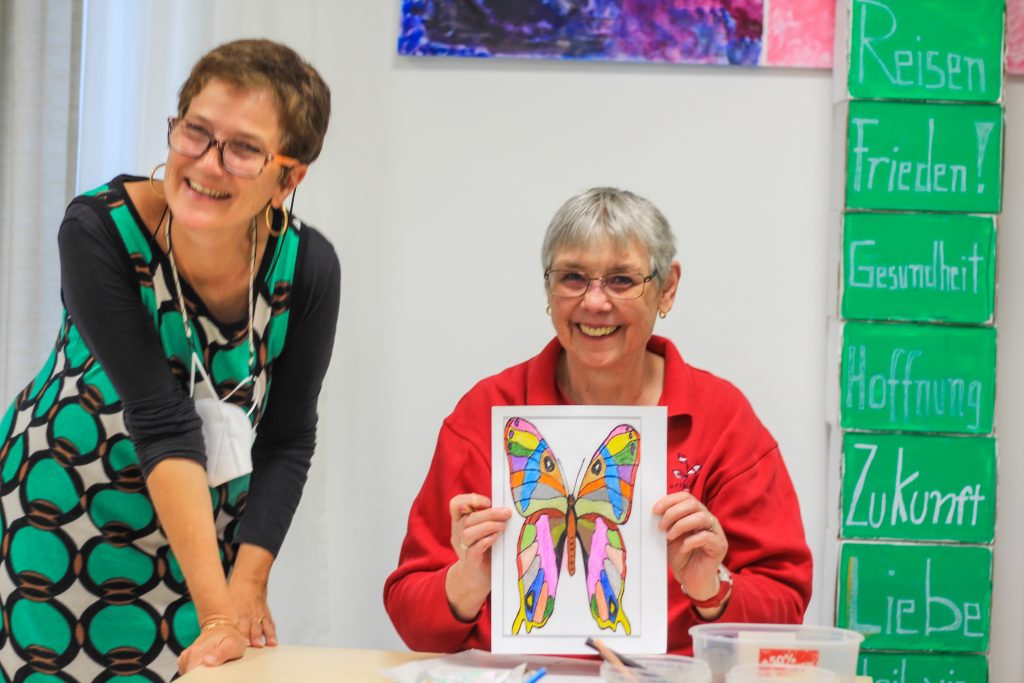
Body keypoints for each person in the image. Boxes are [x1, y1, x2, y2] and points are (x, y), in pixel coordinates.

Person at [0, 39, 338, 680]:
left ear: (288, 176)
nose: (207, 165)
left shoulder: (309, 267)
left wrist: (244, 585)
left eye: (242, 148)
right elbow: (161, 416)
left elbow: (289, 438)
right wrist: (220, 616)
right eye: (195, 133)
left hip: (201, 552)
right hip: (58, 523)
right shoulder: (98, 229)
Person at [383, 187, 812, 653]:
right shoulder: (486, 415)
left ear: (667, 288)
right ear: (548, 288)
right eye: (572, 277)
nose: (594, 302)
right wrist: (469, 579)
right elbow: (411, 618)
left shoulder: (723, 421)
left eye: (622, 281)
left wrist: (712, 586)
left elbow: (784, 608)